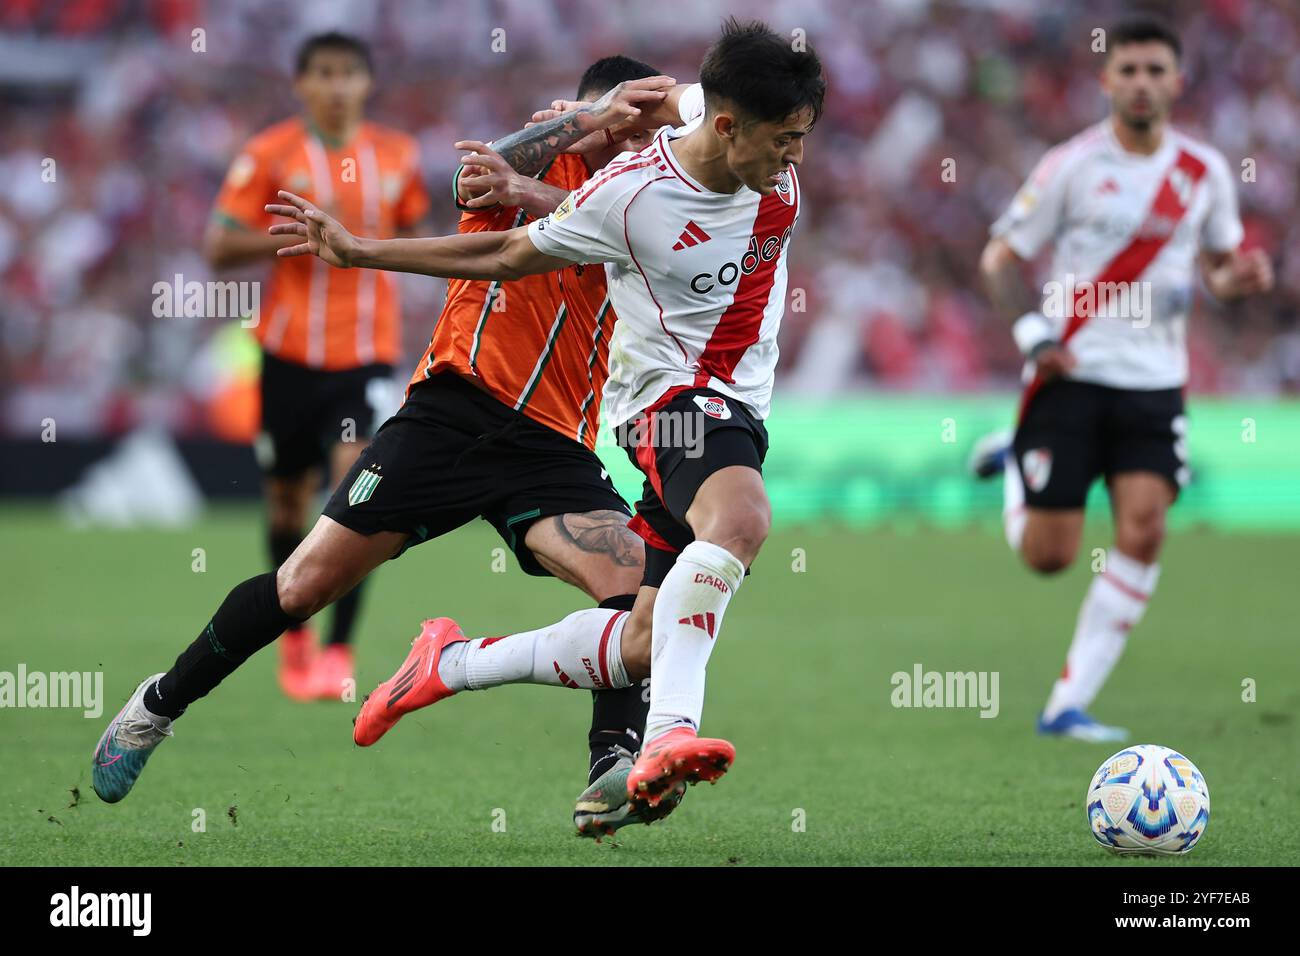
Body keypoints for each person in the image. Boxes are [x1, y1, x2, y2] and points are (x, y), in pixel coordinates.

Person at [91, 64, 684, 839]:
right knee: (302, 588)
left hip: (553, 444)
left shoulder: (659, 193)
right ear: (599, 110)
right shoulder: (543, 151)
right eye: (636, 120)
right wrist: (584, 120)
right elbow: (477, 177)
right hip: (452, 414)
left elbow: (630, 237)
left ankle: (612, 762)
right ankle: (155, 707)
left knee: (638, 587)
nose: (649, 137)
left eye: (657, 123)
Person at [276, 18, 825, 827]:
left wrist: (620, 114)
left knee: (643, 640)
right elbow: (501, 254)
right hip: (669, 402)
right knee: (741, 519)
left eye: (804, 138)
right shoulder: (629, 193)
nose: (796, 160)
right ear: (727, 127)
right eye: (786, 139)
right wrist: (361, 251)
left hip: (740, 405)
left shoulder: (718, 124)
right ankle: (667, 736)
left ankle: (453, 662)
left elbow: (676, 97)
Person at [972, 15, 1273, 741]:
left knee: (1144, 528)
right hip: (1071, 372)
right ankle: (1017, 460)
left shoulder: (1202, 174)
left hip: (1154, 384)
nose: (1141, 83)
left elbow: (1220, 273)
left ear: (1177, 81)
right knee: (1051, 557)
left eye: (1155, 70)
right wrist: (1033, 333)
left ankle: (1065, 704)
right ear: (1108, 80)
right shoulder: (1070, 165)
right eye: (1128, 70)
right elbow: (999, 259)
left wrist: (1241, 279)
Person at [204, 32, 429, 700]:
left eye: (349, 74)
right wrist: (284, 239)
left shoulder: (399, 155)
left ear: (367, 84)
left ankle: (338, 651)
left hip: (365, 356)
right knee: (286, 502)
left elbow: (415, 234)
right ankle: (293, 629)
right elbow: (217, 246)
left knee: (357, 490)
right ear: (301, 84)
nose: (337, 87)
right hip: (288, 357)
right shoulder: (270, 153)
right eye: (324, 75)